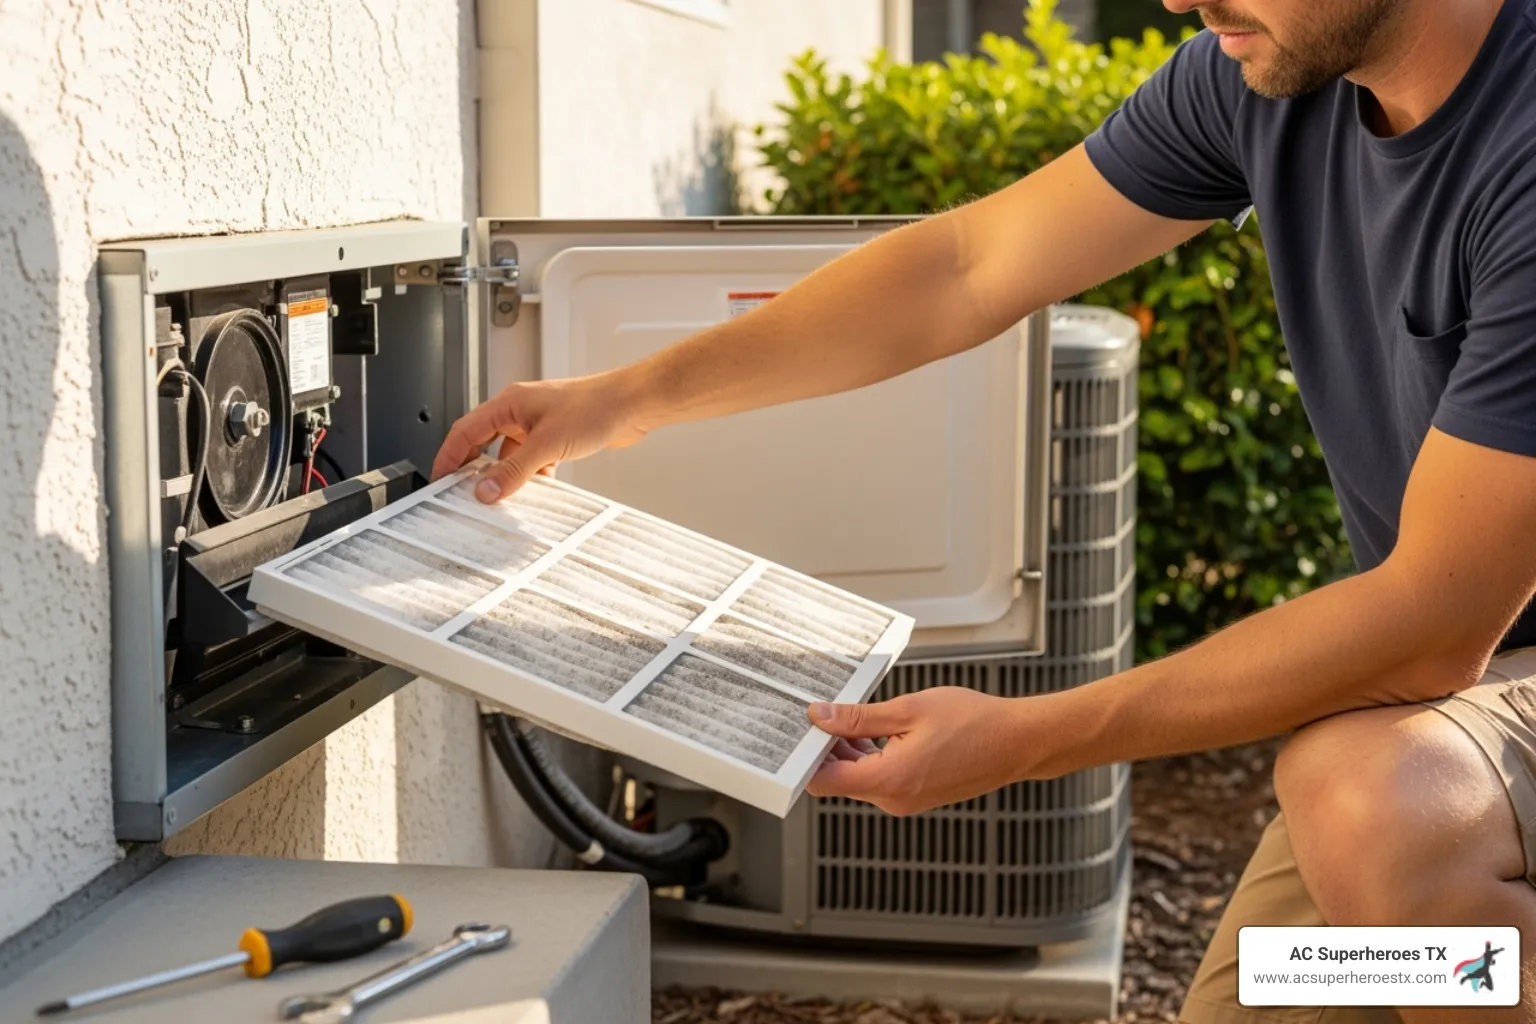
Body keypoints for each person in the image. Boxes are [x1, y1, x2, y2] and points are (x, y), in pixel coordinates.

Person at [433, 0, 1536, 1018]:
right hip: (1464, 696)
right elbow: (965, 266)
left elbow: (1433, 621)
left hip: (1464, 691)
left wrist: (1021, 738)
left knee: (1366, 799)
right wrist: (621, 398)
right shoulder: (1262, 82)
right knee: (1306, 981)